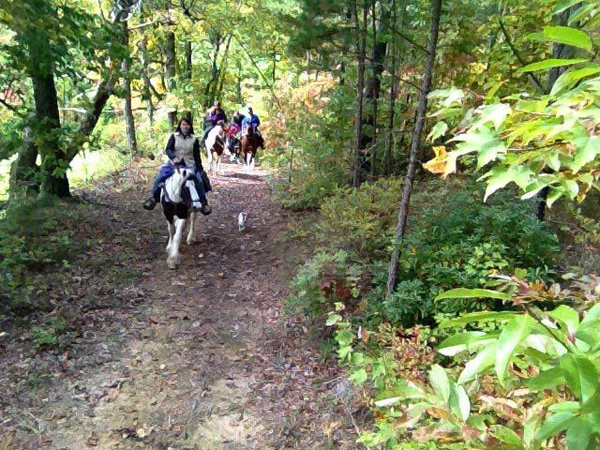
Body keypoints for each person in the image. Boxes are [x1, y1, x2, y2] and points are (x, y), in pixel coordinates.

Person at [143, 118, 212, 215]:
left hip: (189, 164)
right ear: (180, 126)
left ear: (190, 126)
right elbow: (168, 149)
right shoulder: (174, 136)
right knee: (160, 177)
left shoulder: (194, 139)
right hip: (174, 164)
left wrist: (199, 168)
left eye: (187, 125)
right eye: (183, 124)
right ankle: (154, 198)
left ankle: (203, 203)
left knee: (199, 181)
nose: (185, 126)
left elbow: (196, 155)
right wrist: (173, 157)